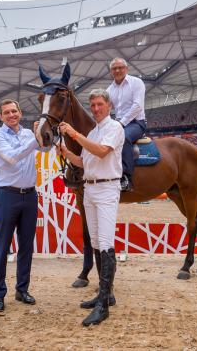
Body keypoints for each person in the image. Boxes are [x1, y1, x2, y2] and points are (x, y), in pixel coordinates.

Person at [58, 88, 124, 326]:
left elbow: (102, 151)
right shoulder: (94, 131)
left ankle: (104, 306)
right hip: (91, 187)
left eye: (99, 104)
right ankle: (103, 294)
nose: (95, 109)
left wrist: (74, 135)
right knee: (96, 243)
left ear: (108, 106)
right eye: (93, 105)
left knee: (106, 244)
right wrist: (65, 151)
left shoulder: (114, 128)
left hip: (107, 188)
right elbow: (83, 161)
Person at [0, 99, 46, 312]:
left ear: (20, 113)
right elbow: (12, 157)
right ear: (1, 117)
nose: (11, 115)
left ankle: (22, 290)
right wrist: (35, 139)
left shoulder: (29, 134)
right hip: (7, 196)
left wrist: (44, 132)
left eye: (14, 111)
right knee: (2, 246)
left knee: (26, 247)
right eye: (7, 112)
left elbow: (47, 150)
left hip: (29, 196)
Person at [106, 57, 146, 192]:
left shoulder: (136, 83)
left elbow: (137, 106)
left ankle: (127, 178)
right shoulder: (109, 90)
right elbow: (106, 109)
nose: (117, 70)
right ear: (111, 71)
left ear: (126, 69)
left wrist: (121, 123)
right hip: (118, 123)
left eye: (120, 67)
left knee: (124, 137)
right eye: (114, 68)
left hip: (136, 122)